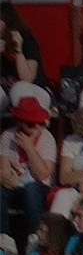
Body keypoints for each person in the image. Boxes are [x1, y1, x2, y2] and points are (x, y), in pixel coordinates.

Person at [1, 95, 56, 243]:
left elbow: (43, 174)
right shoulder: (8, 135)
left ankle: (35, 236)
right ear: (19, 122)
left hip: (38, 188)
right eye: (31, 124)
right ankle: (4, 237)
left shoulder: (47, 138)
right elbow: (3, 170)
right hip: (14, 187)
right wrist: (5, 178)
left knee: (30, 190)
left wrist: (29, 148)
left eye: (38, 123)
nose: (36, 127)